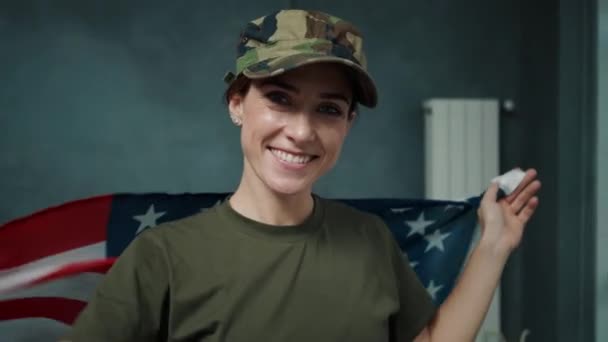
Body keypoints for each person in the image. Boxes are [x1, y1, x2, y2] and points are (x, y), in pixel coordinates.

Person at [64, 9, 541, 342]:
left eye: (328, 109)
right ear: (237, 103)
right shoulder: (162, 257)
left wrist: (493, 246)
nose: (301, 131)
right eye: (280, 99)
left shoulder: (370, 241)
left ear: (348, 124)